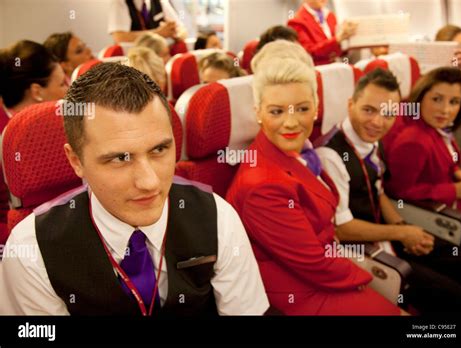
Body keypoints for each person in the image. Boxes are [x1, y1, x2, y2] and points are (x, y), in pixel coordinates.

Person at [0, 63, 269, 316]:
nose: (150, 182)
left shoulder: (218, 217)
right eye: (120, 158)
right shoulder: (32, 250)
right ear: (76, 161)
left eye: (159, 150)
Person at [226, 42, 401, 315]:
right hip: (297, 292)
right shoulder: (261, 185)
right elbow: (314, 262)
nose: (291, 122)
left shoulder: (303, 151)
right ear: (258, 112)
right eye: (276, 111)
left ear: (317, 107)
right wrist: (365, 277)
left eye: (302, 109)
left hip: (323, 269)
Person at [316, 68, 461, 312]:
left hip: (385, 233)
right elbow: (341, 228)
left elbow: (379, 191)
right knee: (453, 296)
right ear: (351, 105)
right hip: (357, 248)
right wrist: (402, 234)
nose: (378, 122)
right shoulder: (331, 155)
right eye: (369, 110)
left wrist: (403, 229)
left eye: (388, 113)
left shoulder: (372, 137)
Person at [385, 67, 461, 233]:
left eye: (454, 102)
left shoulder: (434, 126)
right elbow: (398, 191)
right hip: (438, 213)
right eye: (437, 99)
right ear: (420, 98)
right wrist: (454, 190)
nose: (445, 110)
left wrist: (457, 172)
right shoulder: (414, 141)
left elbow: (443, 159)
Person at [0, 40, 68, 245]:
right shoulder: (9, 140)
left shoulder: (66, 125)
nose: (69, 89)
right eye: (62, 84)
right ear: (37, 91)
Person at [288, 0, 357, 65]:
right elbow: (308, 53)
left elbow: (338, 51)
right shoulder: (296, 21)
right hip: (316, 71)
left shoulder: (330, 16)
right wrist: (337, 39)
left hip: (335, 66)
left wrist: (348, 40)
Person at [108, 0, 186, 44]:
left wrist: (175, 33)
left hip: (157, 55)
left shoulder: (160, 2)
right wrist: (158, 33)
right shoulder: (119, 2)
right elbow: (120, 37)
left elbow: (181, 29)